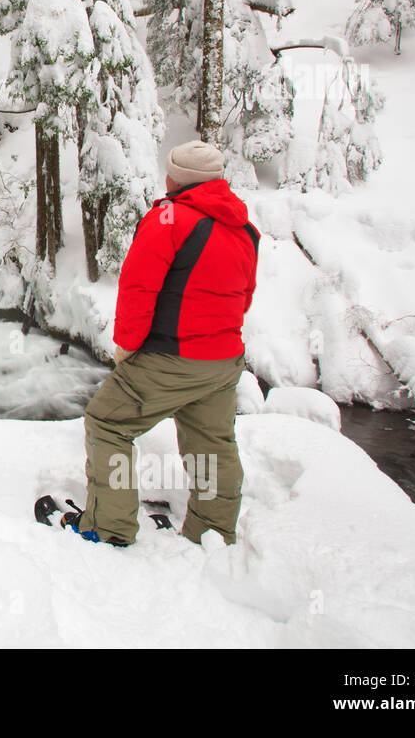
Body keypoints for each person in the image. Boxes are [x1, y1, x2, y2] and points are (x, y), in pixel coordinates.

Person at [77, 140, 260, 547]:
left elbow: (138, 289)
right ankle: (212, 533)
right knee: (212, 444)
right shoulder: (245, 229)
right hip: (223, 361)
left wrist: (127, 345)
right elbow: (243, 297)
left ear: (174, 179)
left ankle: (108, 527)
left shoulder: (169, 220)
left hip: (171, 357)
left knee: (108, 423)